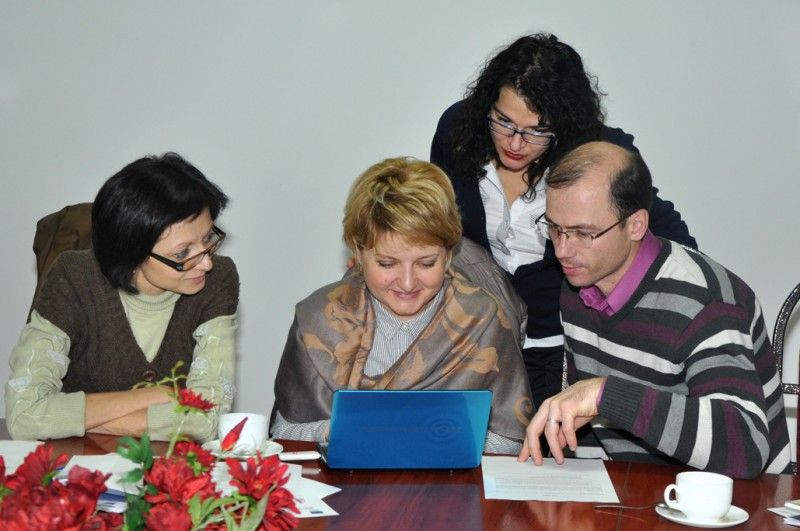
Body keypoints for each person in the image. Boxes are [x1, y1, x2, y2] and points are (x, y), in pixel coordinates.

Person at [430, 33, 698, 409]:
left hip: (566, 349)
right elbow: (438, 225)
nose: (515, 143)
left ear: (564, 123)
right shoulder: (458, 133)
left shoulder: (598, 158)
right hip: (480, 342)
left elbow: (673, 242)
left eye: (538, 131)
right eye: (503, 121)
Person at [518, 141, 790, 478]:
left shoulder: (704, 300)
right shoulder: (578, 286)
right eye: (554, 228)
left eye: (583, 233)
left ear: (636, 224)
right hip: (637, 488)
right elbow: (593, 428)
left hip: (736, 496)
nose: (562, 250)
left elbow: (745, 447)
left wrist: (606, 394)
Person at [271, 157, 533, 453]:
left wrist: (436, 437)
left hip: (448, 480)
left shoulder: (483, 320)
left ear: (449, 253)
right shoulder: (319, 320)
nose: (407, 283)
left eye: (426, 263)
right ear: (358, 252)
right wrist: (345, 430)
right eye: (387, 263)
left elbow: (513, 440)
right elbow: (284, 431)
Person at [5, 153, 239, 442]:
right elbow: (25, 414)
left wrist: (80, 419)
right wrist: (154, 396)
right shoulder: (73, 277)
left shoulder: (218, 280)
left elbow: (206, 419)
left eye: (208, 239)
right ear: (132, 251)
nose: (206, 263)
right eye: (182, 253)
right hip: (80, 463)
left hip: (167, 465)